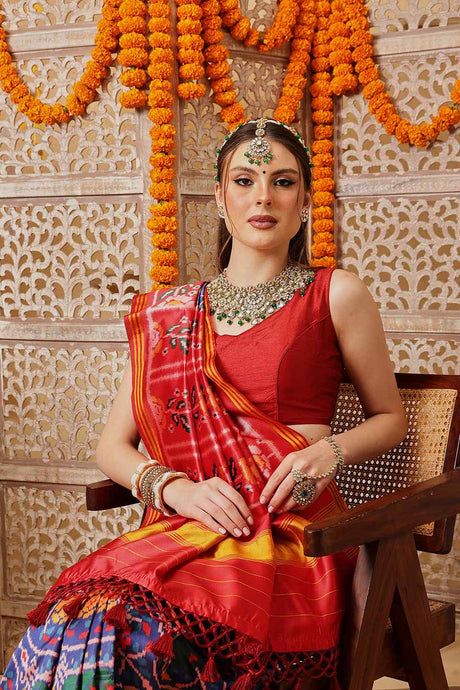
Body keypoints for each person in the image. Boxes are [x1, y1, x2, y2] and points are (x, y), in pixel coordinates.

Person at [1, 118, 408, 690]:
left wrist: (330, 453)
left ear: (305, 201)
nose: (263, 197)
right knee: (73, 629)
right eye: (244, 180)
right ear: (220, 197)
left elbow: (390, 418)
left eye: (283, 181)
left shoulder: (336, 293)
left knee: (146, 643)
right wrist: (177, 490)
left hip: (293, 535)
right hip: (191, 524)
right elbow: (112, 447)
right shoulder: (172, 315)